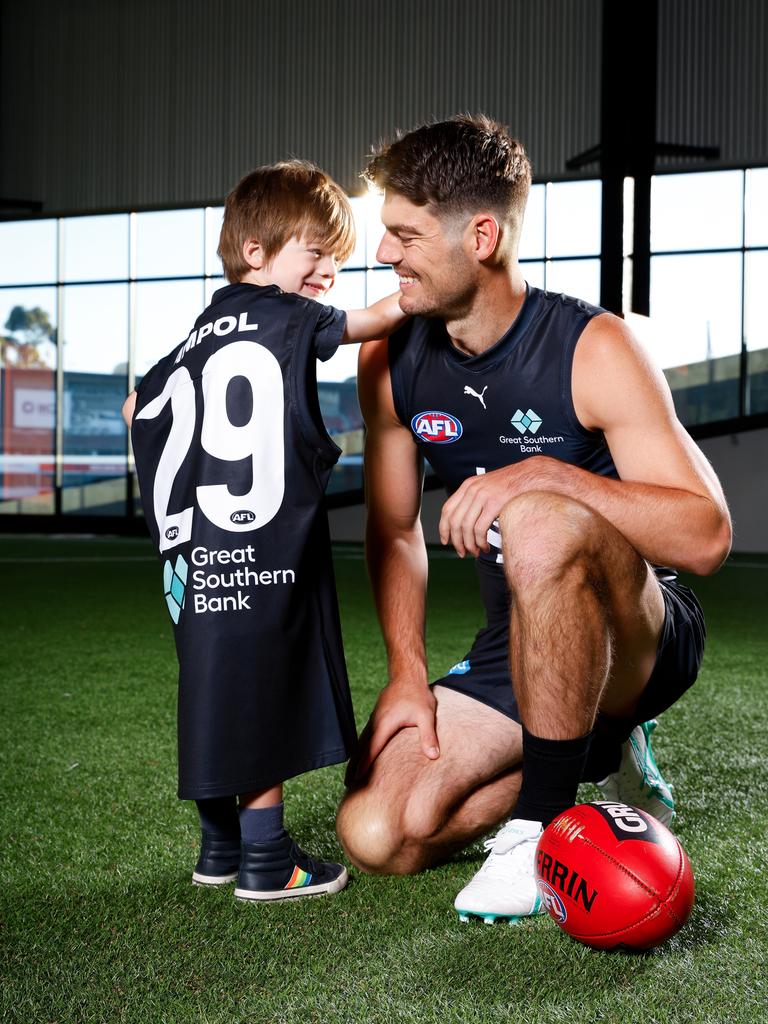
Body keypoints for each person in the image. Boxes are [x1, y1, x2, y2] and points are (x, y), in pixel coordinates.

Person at [335, 115, 730, 924]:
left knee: (541, 516)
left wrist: (548, 474)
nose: (384, 256)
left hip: (640, 635)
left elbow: (706, 536)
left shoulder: (592, 346)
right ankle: (591, 754)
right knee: (379, 830)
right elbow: (396, 531)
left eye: (405, 236)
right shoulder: (390, 358)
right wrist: (408, 672)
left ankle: (538, 827)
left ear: (480, 236)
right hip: (515, 643)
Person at [123, 160, 406, 902]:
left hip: (194, 555)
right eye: (316, 254)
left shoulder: (197, 332)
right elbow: (369, 323)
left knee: (215, 686)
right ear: (257, 251)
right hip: (259, 543)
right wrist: (423, 292)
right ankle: (266, 860)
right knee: (264, 691)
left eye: (335, 262)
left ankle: (218, 848)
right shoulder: (289, 317)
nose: (328, 275)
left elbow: (135, 408)